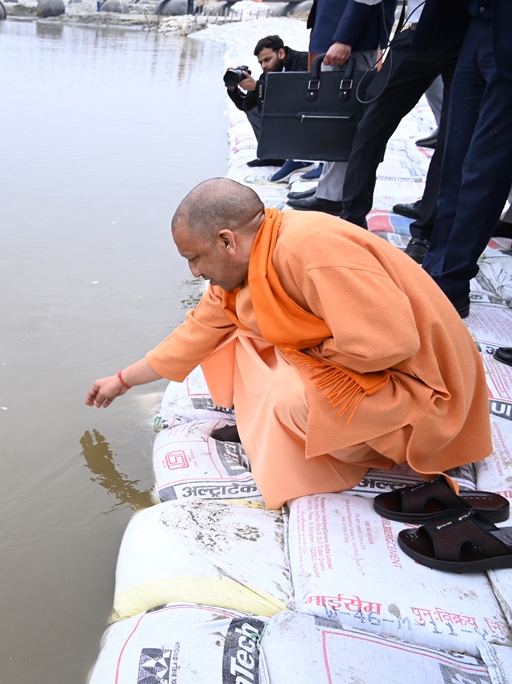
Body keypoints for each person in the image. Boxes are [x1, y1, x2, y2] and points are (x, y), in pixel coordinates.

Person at [85, 178, 490, 509]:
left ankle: (365, 453)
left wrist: (300, 351)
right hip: (380, 369)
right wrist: (123, 379)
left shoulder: (309, 250)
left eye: (195, 258)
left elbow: (390, 346)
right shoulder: (245, 267)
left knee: (290, 399)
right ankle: (277, 428)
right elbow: (194, 336)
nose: (194, 272)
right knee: (236, 337)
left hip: (427, 394)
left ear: (228, 242)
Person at [336, 0, 459, 239]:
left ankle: (427, 229)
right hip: (418, 34)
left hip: (465, 39)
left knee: (453, 139)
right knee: (370, 129)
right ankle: (351, 219)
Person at [420, 0, 512, 318]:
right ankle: (435, 267)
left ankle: (452, 280)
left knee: (485, 167)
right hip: (474, 25)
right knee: (455, 159)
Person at [287, 0, 398, 215]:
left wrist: (345, 37)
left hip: (350, 38)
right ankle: (329, 188)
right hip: (341, 33)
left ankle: (334, 195)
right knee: (334, 117)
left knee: (342, 118)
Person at [226, 35, 309, 170]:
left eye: (267, 59)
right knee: (254, 110)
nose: (264, 66)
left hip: (305, 119)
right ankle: (271, 155)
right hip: (286, 122)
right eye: (260, 62)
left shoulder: (302, 60)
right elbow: (247, 105)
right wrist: (233, 87)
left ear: (281, 53)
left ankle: (296, 157)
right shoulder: (267, 74)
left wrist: (258, 87)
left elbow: (298, 93)